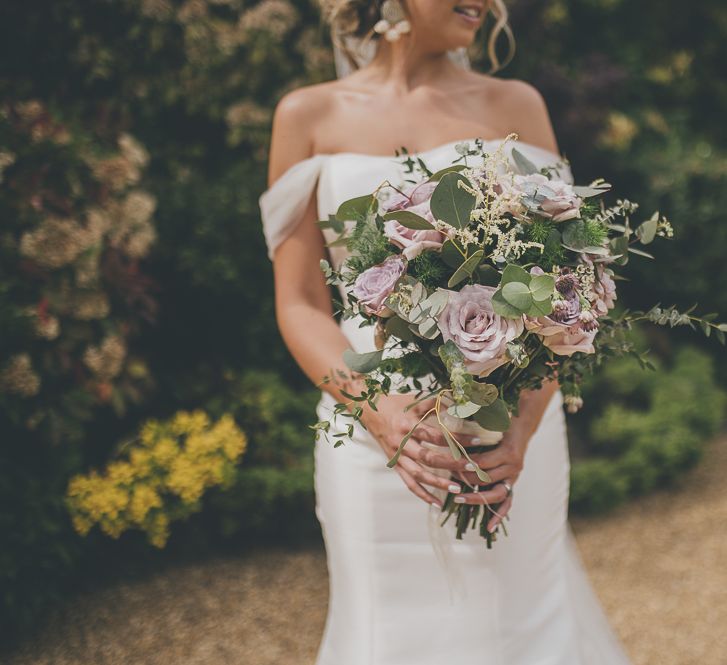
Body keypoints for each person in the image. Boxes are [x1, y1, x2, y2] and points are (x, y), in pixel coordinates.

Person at [259, 1, 633, 663]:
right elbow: (298, 304)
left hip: (511, 436)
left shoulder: (517, 103)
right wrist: (377, 413)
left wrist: (519, 423)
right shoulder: (305, 115)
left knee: (519, 626)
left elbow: (563, 290)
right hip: (373, 434)